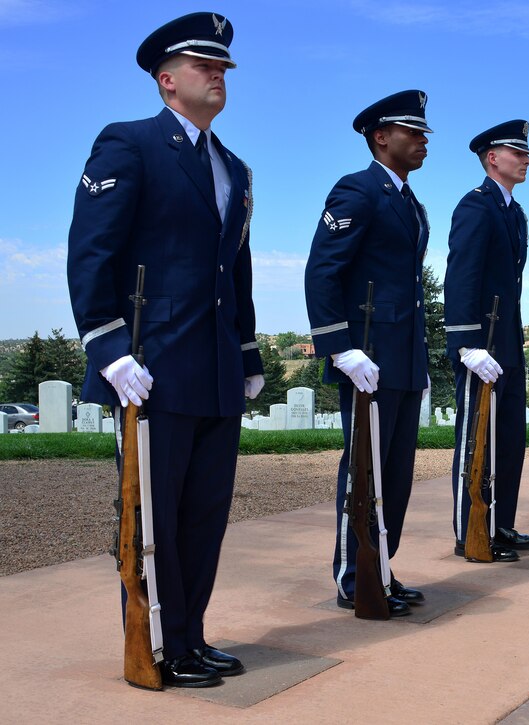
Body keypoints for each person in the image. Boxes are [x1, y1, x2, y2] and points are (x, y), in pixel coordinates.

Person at [67, 12, 263, 688]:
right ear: (166, 79)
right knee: (151, 516)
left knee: (203, 515)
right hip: (150, 370)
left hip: (212, 370)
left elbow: (233, 272)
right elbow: (92, 252)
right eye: (204, 66)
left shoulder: (232, 168)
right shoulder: (129, 144)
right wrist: (108, 348)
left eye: (224, 68)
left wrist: (249, 354)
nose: (218, 75)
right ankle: (149, 641)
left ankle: (188, 636)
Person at [304, 90, 432, 615]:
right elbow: (322, 272)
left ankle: (381, 566)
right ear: (382, 136)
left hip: (402, 356)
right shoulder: (357, 190)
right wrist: (340, 348)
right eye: (413, 132)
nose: (424, 141)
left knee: (396, 474)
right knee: (365, 470)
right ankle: (353, 575)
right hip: (369, 358)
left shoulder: (409, 202)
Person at [445, 120, 529, 562]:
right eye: (516, 152)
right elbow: (462, 276)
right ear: (491, 158)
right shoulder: (475, 206)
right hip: (481, 343)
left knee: (509, 437)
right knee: (476, 438)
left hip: (507, 341)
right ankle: (471, 530)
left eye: (527, 153)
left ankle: (500, 523)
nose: (526, 159)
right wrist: (467, 343)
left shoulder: (514, 212)